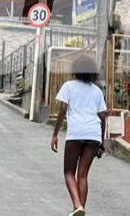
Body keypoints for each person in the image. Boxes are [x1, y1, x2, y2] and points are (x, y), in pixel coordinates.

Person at [50, 56, 107, 216]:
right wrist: (101, 143)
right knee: (83, 175)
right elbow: (103, 116)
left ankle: (77, 205)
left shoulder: (69, 86)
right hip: (94, 134)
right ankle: (81, 209)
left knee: (68, 172)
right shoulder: (97, 91)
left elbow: (63, 110)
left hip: (76, 132)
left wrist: (55, 134)